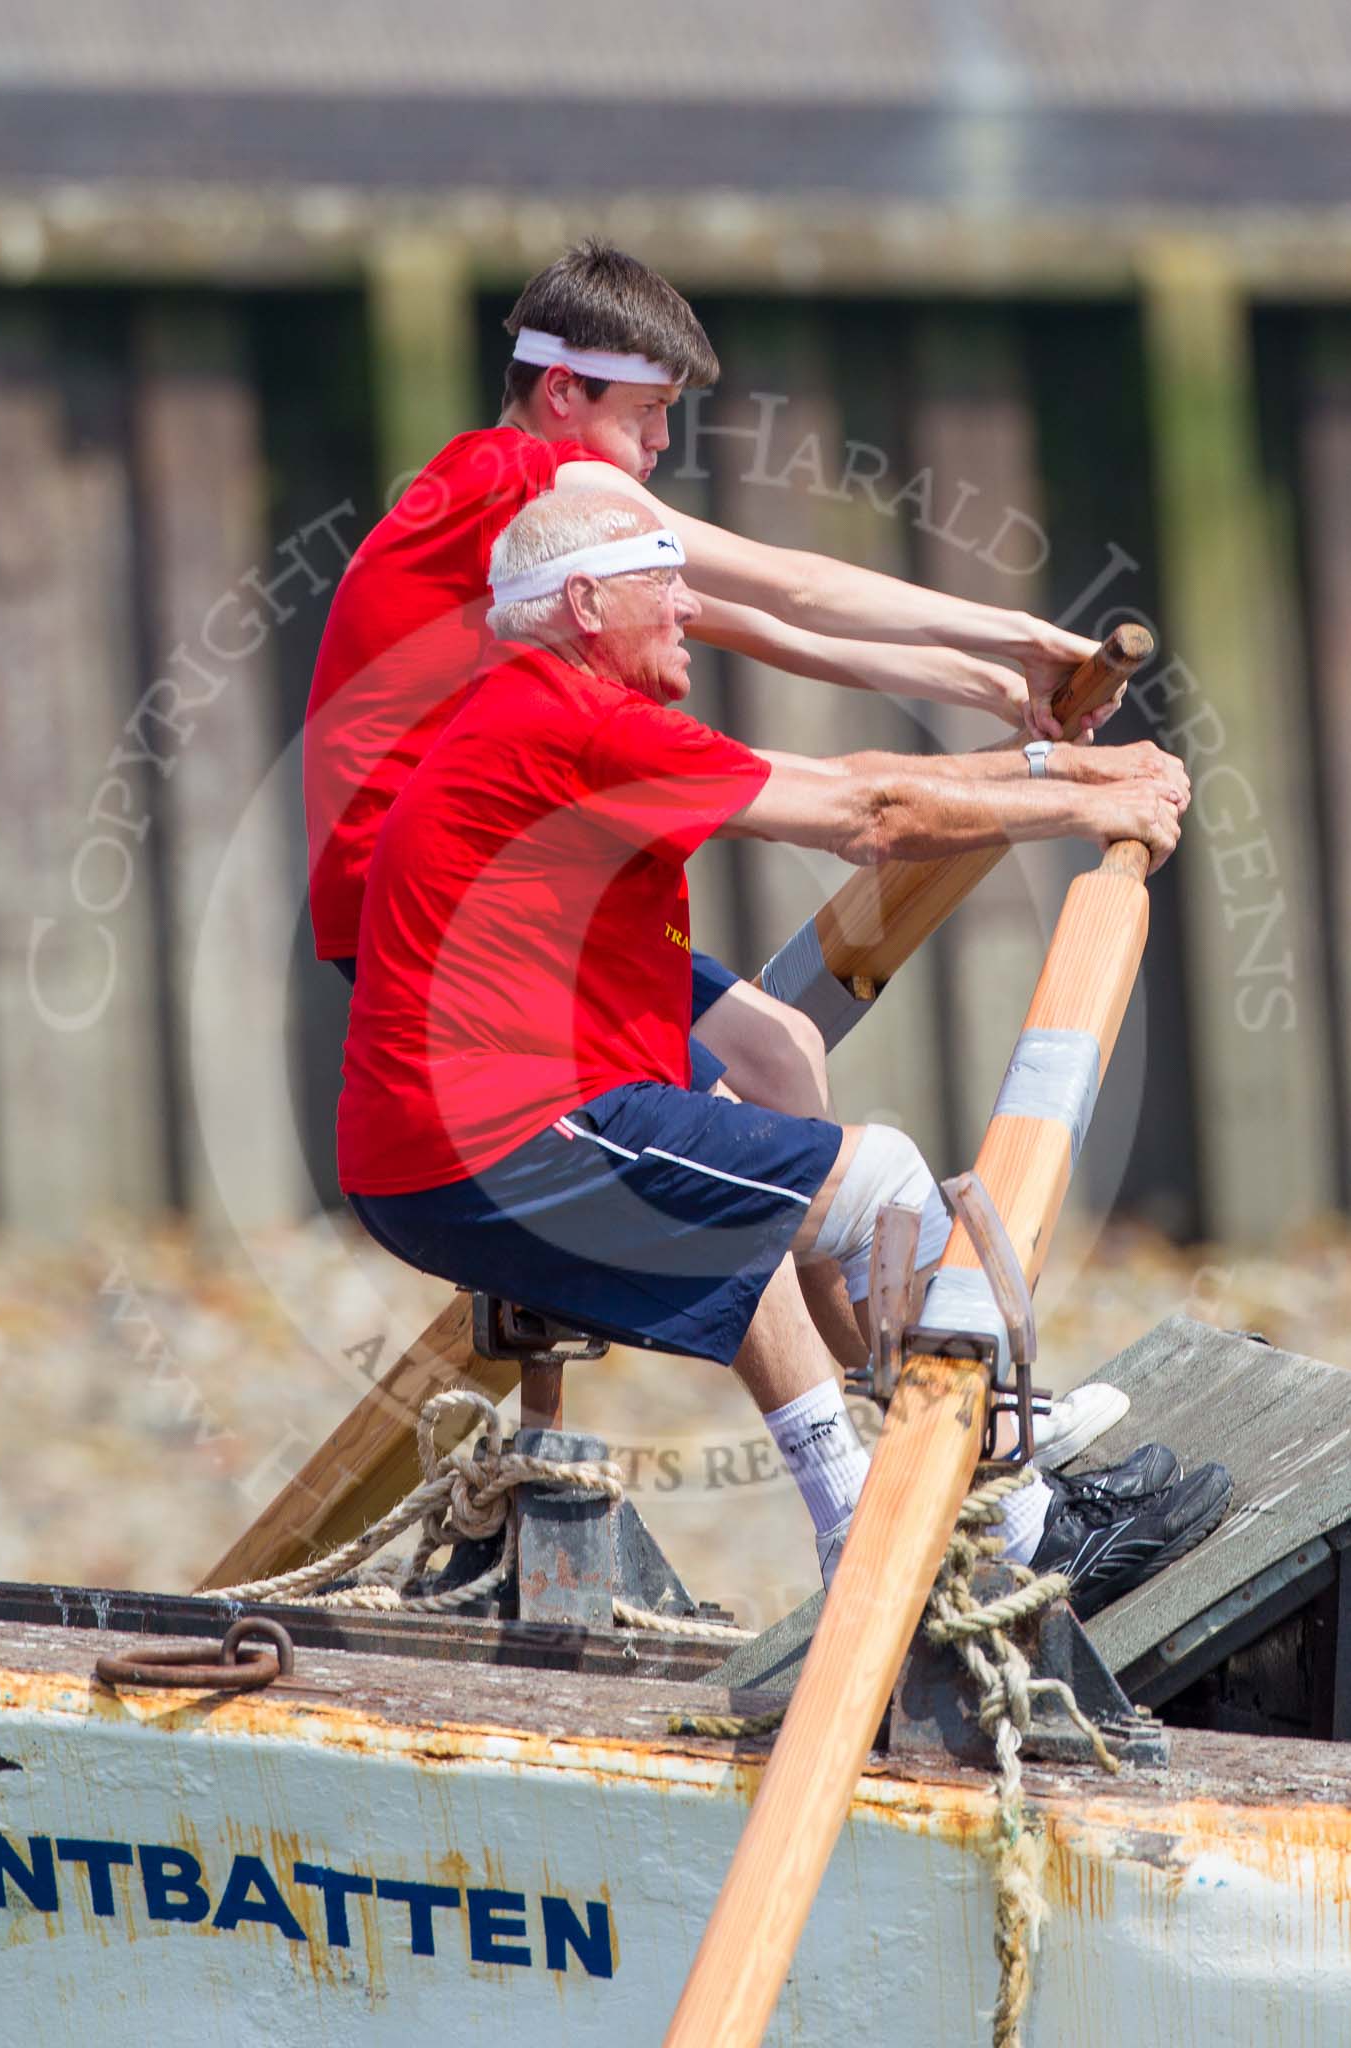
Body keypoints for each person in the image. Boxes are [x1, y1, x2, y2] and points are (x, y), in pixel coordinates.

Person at [305, 240, 1140, 1460]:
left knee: (777, 1046)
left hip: (484, 890)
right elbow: (794, 584)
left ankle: (897, 1399)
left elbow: (742, 617)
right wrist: (1024, 630)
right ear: (564, 393)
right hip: (446, 917)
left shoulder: (526, 509)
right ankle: (925, 1417)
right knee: (738, 1134)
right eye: (645, 418)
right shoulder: (523, 481)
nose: (656, 452)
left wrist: (984, 679)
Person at [337, 490, 1231, 1616]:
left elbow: (859, 785)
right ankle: (1004, 1523)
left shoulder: (534, 707)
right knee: (886, 1183)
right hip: (500, 1144)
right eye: (659, 577)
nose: (686, 602)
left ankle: (922, 1499)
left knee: (762, 1167)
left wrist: (1058, 775)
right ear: (583, 601)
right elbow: (870, 811)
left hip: (448, 1152)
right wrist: (1093, 793)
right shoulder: (574, 724)